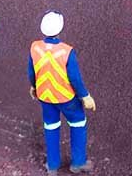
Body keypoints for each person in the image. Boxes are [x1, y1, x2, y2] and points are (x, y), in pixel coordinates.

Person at [28, 10, 97, 174]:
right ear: (59, 29)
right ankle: (78, 162)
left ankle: (52, 165)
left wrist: (34, 86)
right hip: (66, 98)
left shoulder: (35, 47)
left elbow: (31, 72)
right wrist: (85, 96)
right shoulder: (67, 51)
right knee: (78, 123)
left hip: (45, 96)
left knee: (51, 127)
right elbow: (75, 78)